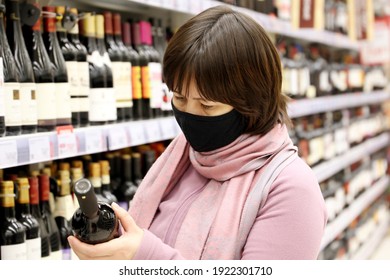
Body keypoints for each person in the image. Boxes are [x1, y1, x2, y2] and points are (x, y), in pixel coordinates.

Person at [68, 5, 327, 260]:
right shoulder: (178, 159)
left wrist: (145, 257)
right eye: (179, 98)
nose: (190, 115)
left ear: (251, 104)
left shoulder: (292, 189)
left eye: (207, 105)